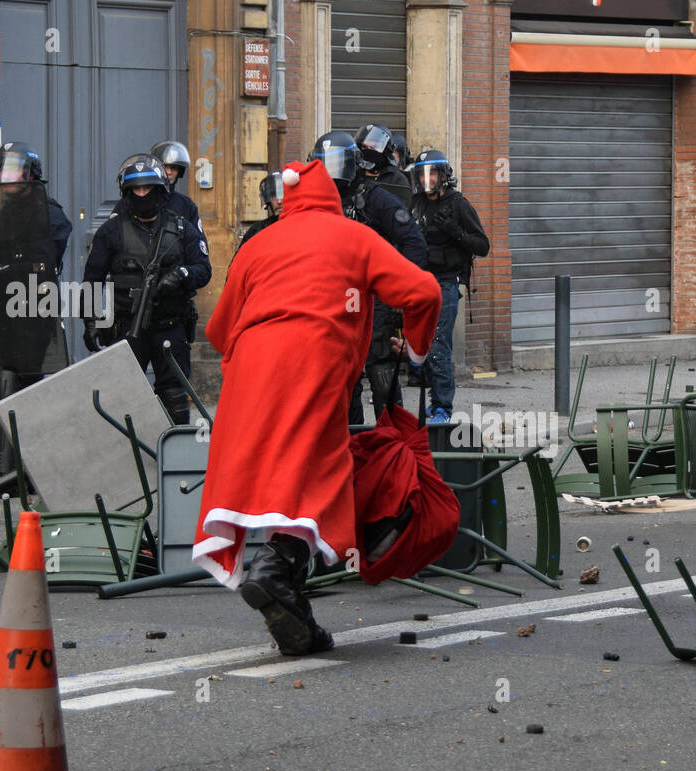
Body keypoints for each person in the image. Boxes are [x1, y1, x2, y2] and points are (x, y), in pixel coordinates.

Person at [192, 160, 441, 655]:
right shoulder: (354, 236)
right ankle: (275, 567)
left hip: (249, 369)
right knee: (317, 472)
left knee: (267, 471)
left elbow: (219, 329)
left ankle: (295, 613)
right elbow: (425, 291)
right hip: (314, 361)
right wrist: (415, 350)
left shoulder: (257, 244)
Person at [82, 153, 211, 424]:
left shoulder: (181, 227)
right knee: (124, 400)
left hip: (171, 326)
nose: (142, 194)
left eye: (147, 188)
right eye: (136, 190)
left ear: (159, 190)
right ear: (128, 192)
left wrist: (182, 275)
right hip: (129, 328)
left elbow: (204, 269)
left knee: (175, 399)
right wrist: (91, 321)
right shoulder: (111, 231)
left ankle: (174, 461)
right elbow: (92, 279)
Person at [312, 131, 426, 424]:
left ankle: (393, 448)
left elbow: (413, 241)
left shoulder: (373, 198)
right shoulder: (315, 204)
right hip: (332, 303)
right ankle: (351, 449)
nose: (331, 172)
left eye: (338, 163)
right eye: (326, 164)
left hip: (373, 301)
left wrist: (403, 291)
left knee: (381, 373)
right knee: (341, 377)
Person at [0, 141, 73, 475]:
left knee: (29, 379)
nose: (7, 178)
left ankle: (31, 464)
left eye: (14, 170)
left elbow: (46, 257)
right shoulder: (4, 211)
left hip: (34, 307)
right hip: (4, 308)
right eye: (3, 170)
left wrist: (13, 264)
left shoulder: (48, 211)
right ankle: (5, 468)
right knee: (5, 376)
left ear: (31, 174)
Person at [410, 149, 489, 423]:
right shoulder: (416, 204)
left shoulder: (458, 204)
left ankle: (443, 406)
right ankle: (433, 400)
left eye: (432, 173)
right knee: (421, 343)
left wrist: (455, 232)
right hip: (420, 282)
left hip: (446, 283)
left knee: (438, 344)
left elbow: (483, 246)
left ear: (444, 176)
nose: (427, 179)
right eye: (422, 174)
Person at [233, 172, 282, 258]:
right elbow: (237, 264)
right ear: (268, 199)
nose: (279, 201)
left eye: (282, 194)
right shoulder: (257, 230)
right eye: (274, 196)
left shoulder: (303, 227)